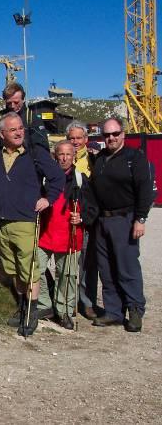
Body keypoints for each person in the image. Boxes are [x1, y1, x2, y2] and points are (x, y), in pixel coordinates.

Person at [0, 112, 64, 336]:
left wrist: (48, 199)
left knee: (28, 268)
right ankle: (23, 306)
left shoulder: (35, 153)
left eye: (20, 128)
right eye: (13, 129)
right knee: (13, 269)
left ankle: (31, 312)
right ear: (2, 134)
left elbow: (57, 177)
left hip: (26, 220)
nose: (19, 132)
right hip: (2, 222)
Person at [90, 117, 153, 332]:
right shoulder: (99, 159)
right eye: (107, 135)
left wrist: (140, 219)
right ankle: (114, 312)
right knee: (106, 270)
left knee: (127, 268)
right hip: (102, 220)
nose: (111, 138)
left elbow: (145, 190)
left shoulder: (134, 158)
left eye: (115, 133)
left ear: (123, 134)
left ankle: (135, 310)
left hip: (124, 219)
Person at [36, 140, 97, 329]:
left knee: (67, 276)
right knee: (35, 270)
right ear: (55, 156)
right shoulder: (45, 178)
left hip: (70, 235)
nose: (64, 158)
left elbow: (93, 207)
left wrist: (82, 218)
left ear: (74, 157)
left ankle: (64, 311)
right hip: (45, 233)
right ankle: (44, 304)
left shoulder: (81, 180)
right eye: (61, 154)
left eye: (68, 154)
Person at [66, 120, 97, 318]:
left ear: (86, 139)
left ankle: (87, 302)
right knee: (68, 262)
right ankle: (67, 302)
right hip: (67, 218)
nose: (76, 141)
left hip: (88, 216)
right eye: (72, 138)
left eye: (79, 138)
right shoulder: (61, 157)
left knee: (87, 263)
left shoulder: (96, 159)